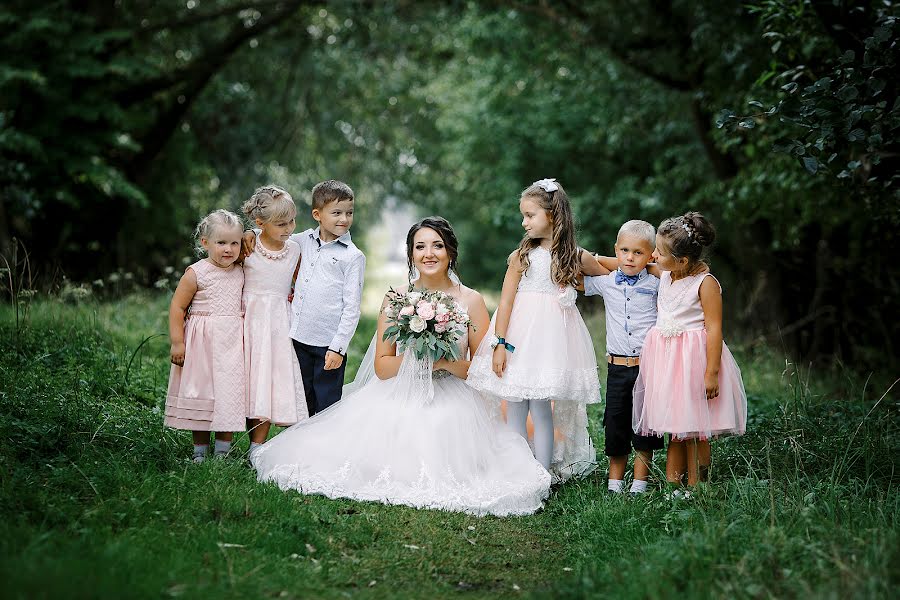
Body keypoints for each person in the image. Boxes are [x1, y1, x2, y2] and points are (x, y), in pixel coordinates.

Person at [252, 217, 551, 516]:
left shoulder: (471, 300)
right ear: (411, 255)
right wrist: (420, 362)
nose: (429, 254)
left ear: (450, 252)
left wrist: (443, 363)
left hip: (455, 395)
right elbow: (382, 366)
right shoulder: (396, 297)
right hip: (398, 391)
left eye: (437, 246)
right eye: (420, 247)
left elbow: (481, 368)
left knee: (441, 424)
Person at [466, 178, 606, 482]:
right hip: (517, 336)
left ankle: (540, 474)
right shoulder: (521, 256)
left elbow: (610, 277)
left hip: (551, 342)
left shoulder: (575, 256)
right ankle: (516, 469)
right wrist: (499, 343)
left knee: (542, 408)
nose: (523, 222)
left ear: (553, 215)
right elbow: (505, 302)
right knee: (514, 403)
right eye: (523, 215)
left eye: (530, 215)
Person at [632, 211, 747, 487]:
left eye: (658, 252)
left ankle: (698, 486)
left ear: (682, 260)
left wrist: (711, 373)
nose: (653, 256)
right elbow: (629, 264)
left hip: (693, 362)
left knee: (696, 429)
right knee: (676, 427)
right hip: (667, 363)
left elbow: (715, 329)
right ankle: (674, 487)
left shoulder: (705, 283)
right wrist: (593, 260)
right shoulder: (666, 274)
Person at [243, 179, 365, 416]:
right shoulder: (302, 240)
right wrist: (251, 232)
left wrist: (338, 348)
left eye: (349, 212)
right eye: (337, 212)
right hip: (297, 338)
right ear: (317, 214)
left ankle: (324, 448)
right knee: (303, 400)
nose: (344, 219)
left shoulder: (353, 257)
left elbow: (352, 308)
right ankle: (300, 447)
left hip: (328, 345)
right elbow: (273, 231)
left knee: (327, 403)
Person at [583, 220, 664, 495]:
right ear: (616, 250)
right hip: (617, 367)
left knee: (645, 426)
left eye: (638, 253)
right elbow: (575, 271)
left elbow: (672, 270)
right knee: (616, 422)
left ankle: (640, 485)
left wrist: (652, 266)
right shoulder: (606, 283)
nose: (630, 258)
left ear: (651, 254)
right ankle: (615, 485)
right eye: (625, 251)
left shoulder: (656, 283)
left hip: (647, 367)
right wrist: (604, 262)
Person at [164, 209, 246, 462]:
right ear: (205, 243)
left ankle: (223, 450)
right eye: (221, 243)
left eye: (235, 243)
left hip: (232, 343)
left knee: (229, 393)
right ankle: (199, 452)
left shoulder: (241, 269)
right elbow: (178, 307)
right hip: (202, 345)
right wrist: (178, 342)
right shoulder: (196, 273)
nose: (229, 249)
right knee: (201, 393)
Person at [241, 185, 308, 458]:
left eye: (292, 221)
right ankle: (230, 440)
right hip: (248, 319)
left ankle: (257, 448)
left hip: (278, 323)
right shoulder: (247, 244)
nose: (289, 228)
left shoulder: (294, 250)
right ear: (260, 223)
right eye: (281, 224)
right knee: (247, 378)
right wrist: (245, 234)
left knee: (268, 379)